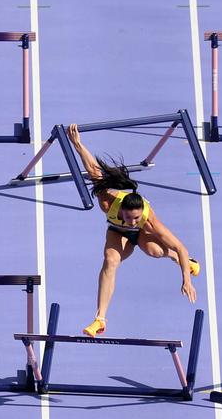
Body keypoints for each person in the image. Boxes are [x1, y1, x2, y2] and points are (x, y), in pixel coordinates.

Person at [65, 124, 199, 338]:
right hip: (117, 233)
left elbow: (181, 246)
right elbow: (93, 169)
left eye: (137, 217)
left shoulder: (149, 221)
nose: (133, 220)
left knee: (156, 251)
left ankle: (180, 260)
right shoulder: (108, 202)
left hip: (144, 236)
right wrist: (78, 144)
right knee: (110, 261)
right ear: (122, 210)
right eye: (130, 217)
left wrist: (186, 280)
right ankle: (100, 320)